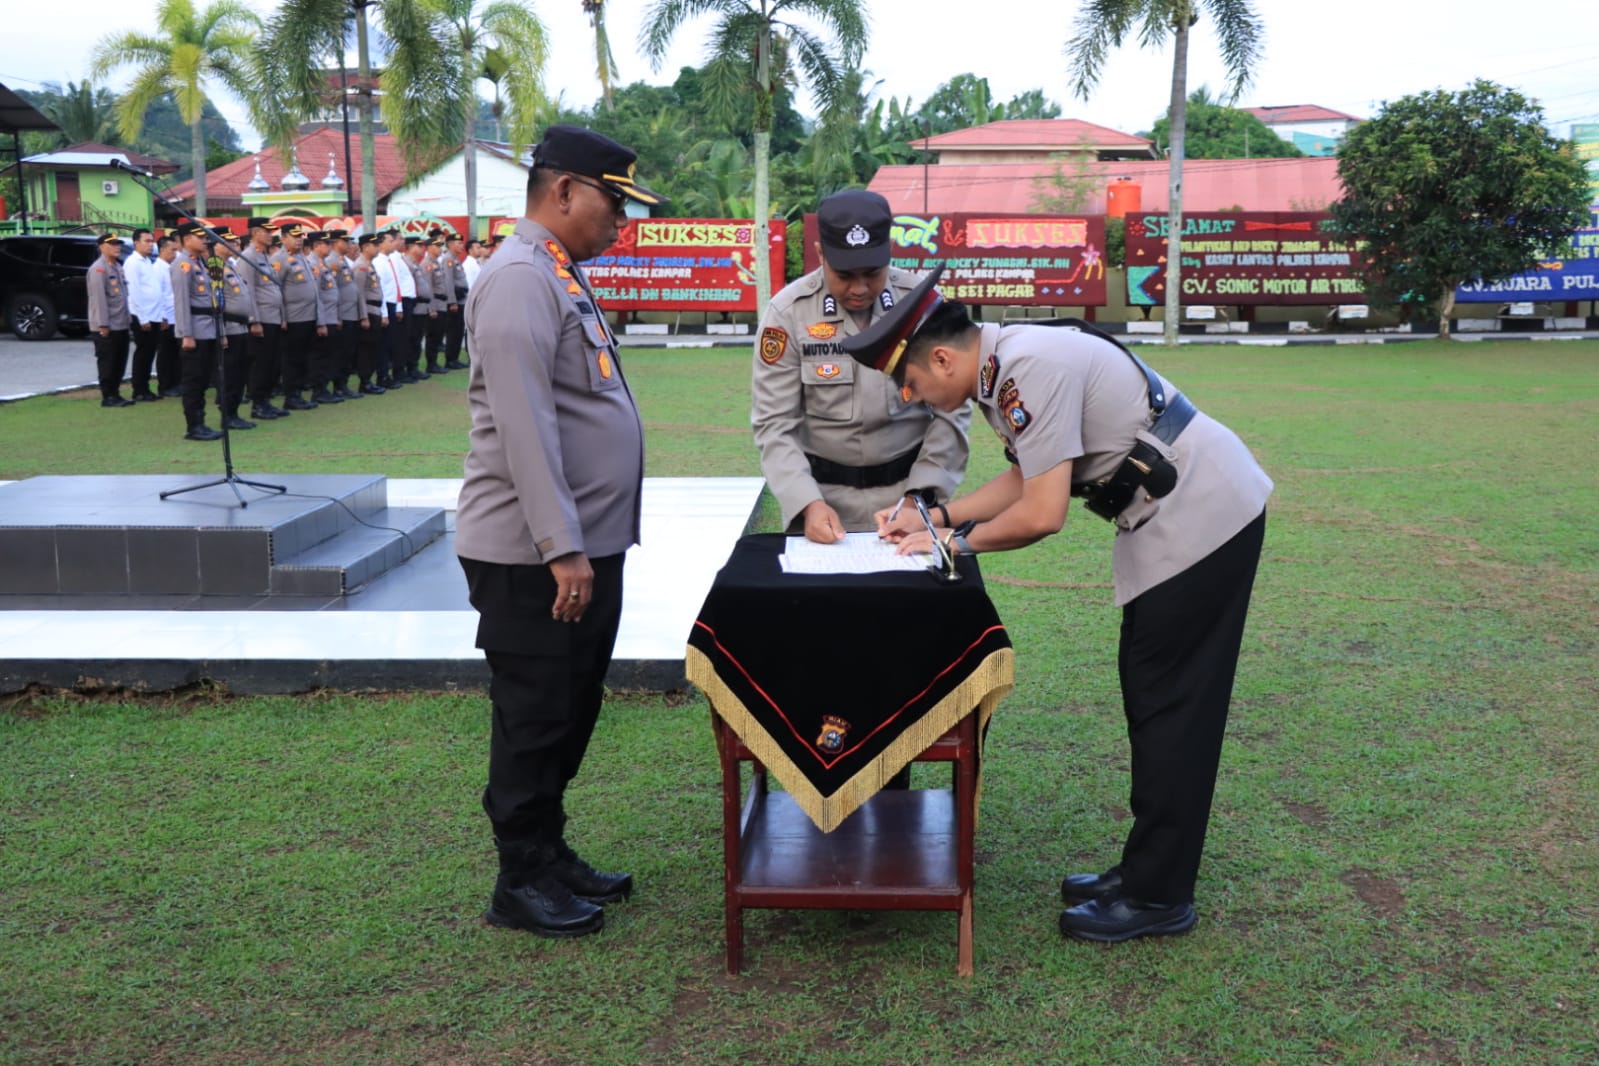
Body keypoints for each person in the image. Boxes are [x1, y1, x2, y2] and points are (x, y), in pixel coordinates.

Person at [850, 268, 1273, 944]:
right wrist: (935, 517)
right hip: (1171, 512)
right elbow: (1029, 474)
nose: (911, 396)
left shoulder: (1028, 367)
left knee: (1171, 706)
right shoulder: (1006, 367)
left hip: (1201, 515)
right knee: (1153, 697)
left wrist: (953, 542)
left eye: (910, 382)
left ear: (943, 358)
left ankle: (1158, 895)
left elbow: (1042, 514)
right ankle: (1144, 872)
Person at [456, 124, 662, 939]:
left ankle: (547, 849)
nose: (621, 220)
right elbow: (525, 427)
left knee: (570, 705)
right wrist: (561, 547)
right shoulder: (518, 278)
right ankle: (519, 878)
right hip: (533, 553)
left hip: (580, 546)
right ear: (565, 190)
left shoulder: (555, 272)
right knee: (535, 712)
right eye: (614, 202)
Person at [752, 188, 970, 543]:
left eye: (872, 273)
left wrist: (920, 497)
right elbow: (774, 424)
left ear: (889, 252)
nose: (859, 288)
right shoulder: (788, 313)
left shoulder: (922, 305)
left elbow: (952, 410)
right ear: (820, 254)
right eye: (845, 275)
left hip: (910, 501)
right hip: (823, 504)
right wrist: (807, 503)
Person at [169, 220, 224, 442]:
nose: (204, 241)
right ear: (187, 240)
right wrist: (186, 334)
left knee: (202, 381)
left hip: (207, 329)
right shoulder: (182, 264)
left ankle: (201, 422)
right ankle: (194, 426)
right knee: (193, 381)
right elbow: (181, 302)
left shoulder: (199, 263)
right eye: (200, 237)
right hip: (194, 332)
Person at [240, 217, 288, 421]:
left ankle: (266, 401)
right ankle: (258, 404)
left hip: (273, 318)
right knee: (261, 363)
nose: (270, 235)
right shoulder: (248, 256)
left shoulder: (264, 256)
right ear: (254, 233)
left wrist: (282, 316)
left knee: (271, 362)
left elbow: (274, 288)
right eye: (266, 231)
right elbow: (248, 290)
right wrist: (254, 320)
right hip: (262, 319)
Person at [86, 232, 133, 408]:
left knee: (120, 360)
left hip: (121, 322)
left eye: (118, 244)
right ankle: (108, 396)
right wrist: (103, 324)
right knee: (108, 362)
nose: (117, 247)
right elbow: (99, 299)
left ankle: (115, 393)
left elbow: (123, 296)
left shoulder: (117, 266)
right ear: (102, 247)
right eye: (112, 244)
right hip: (108, 325)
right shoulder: (98, 269)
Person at [123, 228, 163, 402]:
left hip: (154, 314)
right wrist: (142, 318)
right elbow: (134, 292)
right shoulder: (133, 263)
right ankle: (139, 389)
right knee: (143, 353)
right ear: (136, 243)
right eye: (146, 241)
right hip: (142, 316)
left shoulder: (147, 261)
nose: (150, 244)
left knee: (150, 352)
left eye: (151, 241)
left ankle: (144, 387)